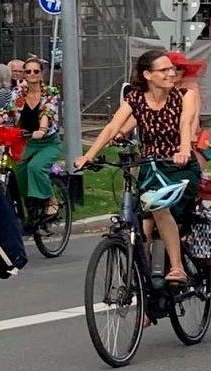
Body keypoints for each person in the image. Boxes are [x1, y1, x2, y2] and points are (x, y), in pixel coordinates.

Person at [76, 49, 201, 284]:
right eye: (164, 70)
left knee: (158, 209)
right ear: (147, 75)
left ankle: (177, 267)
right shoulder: (135, 98)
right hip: (150, 167)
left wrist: (184, 149)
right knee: (141, 222)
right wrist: (89, 156)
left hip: (178, 167)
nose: (171, 73)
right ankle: (145, 281)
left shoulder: (185, 95)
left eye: (171, 68)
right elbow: (112, 126)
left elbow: (185, 124)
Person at [0, 57, 63, 213]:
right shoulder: (18, 93)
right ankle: (30, 206)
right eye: (28, 71)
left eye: (36, 71)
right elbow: (5, 113)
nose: (32, 74)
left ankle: (50, 199)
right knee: (19, 172)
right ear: (24, 74)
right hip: (27, 142)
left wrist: (42, 130)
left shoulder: (50, 92)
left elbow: (47, 112)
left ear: (41, 74)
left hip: (47, 143)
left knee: (35, 167)